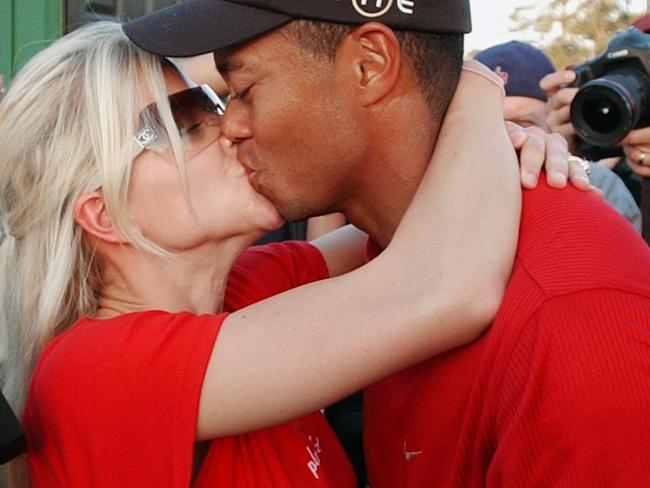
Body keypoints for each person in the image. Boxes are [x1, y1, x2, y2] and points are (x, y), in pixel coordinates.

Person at [0, 20, 574, 488]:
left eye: (214, 101)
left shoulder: (245, 291)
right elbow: (446, 286)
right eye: (181, 122)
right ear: (102, 214)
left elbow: (412, 213)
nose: (230, 126)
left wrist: (517, 144)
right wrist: (473, 90)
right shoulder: (93, 373)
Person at [124, 0, 650, 486]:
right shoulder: (391, 257)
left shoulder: (574, 311)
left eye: (244, 91)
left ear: (370, 66)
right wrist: (478, 99)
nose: (229, 127)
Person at [475, 40, 642, 233]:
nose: (510, 135)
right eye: (491, 123)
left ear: (552, 124)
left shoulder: (598, 185)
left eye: (524, 125)